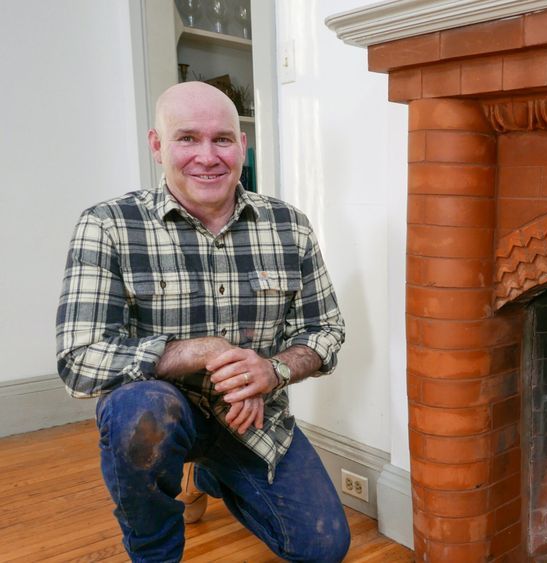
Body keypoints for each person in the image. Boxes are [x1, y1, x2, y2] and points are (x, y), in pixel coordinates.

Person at [56, 81, 350, 562]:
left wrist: (272, 370)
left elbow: (327, 330)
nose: (208, 157)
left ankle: (210, 472)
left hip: (253, 420)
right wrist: (202, 349)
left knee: (323, 548)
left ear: (242, 145)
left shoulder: (288, 225)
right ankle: (155, 553)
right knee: (141, 411)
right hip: (160, 414)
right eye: (187, 138)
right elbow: (79, 359)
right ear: (157, 145)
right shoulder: (108, 224)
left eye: (223, 139)